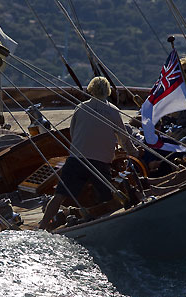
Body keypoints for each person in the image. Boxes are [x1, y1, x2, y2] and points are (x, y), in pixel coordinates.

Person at [39, 76, 139, 230]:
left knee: (59, 196)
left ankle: (42, 227)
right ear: (108, 91)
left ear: (91, 89)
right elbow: (123, 139)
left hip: (76, 159)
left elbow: (73, 133)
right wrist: (135, 153)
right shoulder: (113, 111)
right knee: (108, 198)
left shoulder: (80, 108)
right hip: (100, 163)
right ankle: (107, 226)